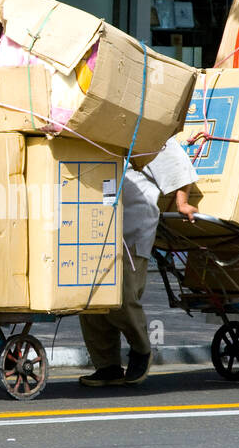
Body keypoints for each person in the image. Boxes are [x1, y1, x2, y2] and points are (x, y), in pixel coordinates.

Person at [79, 138, 198, 387]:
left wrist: (182, 202)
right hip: (95, 228)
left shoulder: (148, 130)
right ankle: (107, 366)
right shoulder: (96, 130)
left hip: (132, 229)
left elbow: (178, 165)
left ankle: (141, 349)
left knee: (122, 296)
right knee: (88, 301)